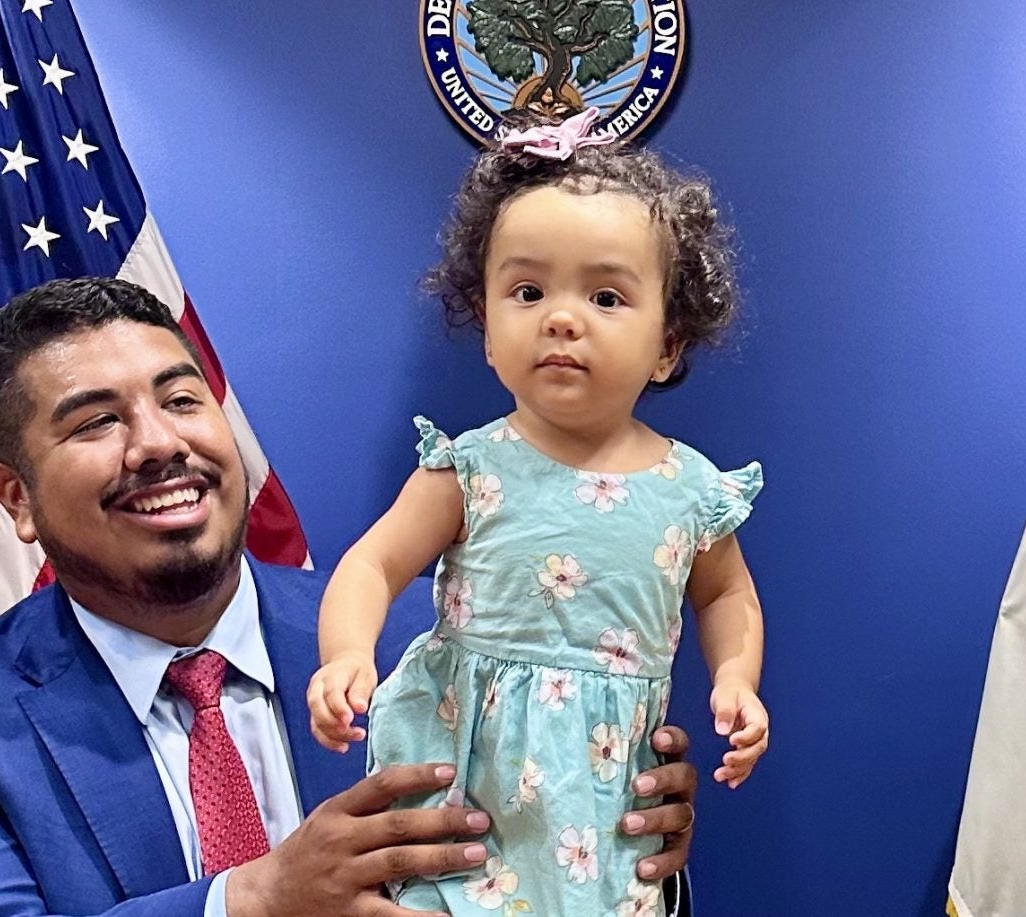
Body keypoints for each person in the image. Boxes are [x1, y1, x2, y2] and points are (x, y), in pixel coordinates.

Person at [0, 276, 697, 916]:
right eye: (96, 421)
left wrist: (630, 847)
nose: (159, 443)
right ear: (17, 499)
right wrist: (254, 900)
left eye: (182, 399)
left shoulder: (431, 637)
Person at [308, 108, 768, 916]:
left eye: (605, 294)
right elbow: (374, 563)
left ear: (668, 344)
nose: (562, 316)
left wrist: (737, 678)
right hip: (471, 781)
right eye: (528, 290)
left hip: (603, 798)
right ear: (486, 330)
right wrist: (346, 654)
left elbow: (726, 594)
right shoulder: (470, 468)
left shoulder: (690, 489)